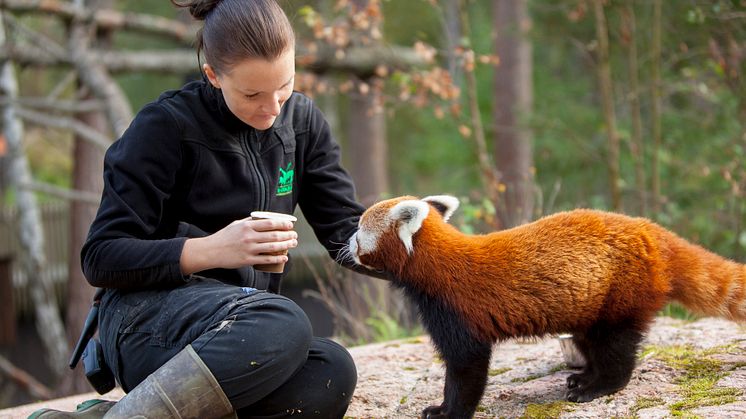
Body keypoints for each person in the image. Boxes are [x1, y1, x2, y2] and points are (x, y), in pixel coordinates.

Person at [33, 0, 380, 417]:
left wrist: (430, 252)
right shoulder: (164, 126)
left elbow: (347, 232)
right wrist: (215, 249)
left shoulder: (302, 123)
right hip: (145, 325)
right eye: (252, 93)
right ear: (213, 75)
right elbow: (101, 257)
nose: (272, 108)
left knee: (330, 369)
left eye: (284, 86)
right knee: (285, 323)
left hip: (243, 336)